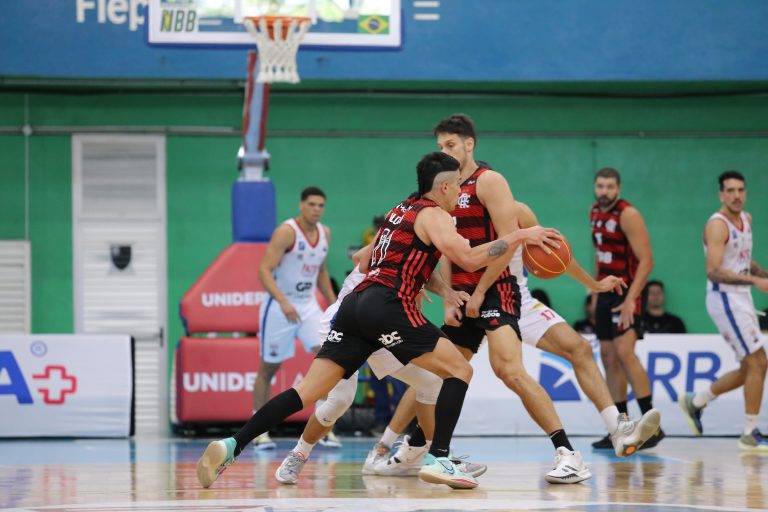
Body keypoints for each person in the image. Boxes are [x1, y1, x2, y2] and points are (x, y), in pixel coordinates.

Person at [196, 151, 561, 490]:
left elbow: (369, 259)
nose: (459, 194)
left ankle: (233, 444)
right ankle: (439, 458)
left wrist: (440, 288)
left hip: (355, 306)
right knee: (459, 370)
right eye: (457, 187)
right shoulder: (435, 215)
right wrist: (519, 235)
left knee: (306, 392)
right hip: (388, 306)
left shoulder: (400, 209)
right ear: (444, 187)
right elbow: (468, 258)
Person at [371, 199, 662, 483]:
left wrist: (594, 285)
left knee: (578, 349)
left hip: (511, 299)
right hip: (469, 300)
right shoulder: (449, 211)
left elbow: (556, 254)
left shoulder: (517, 211)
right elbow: (445, 256)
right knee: (432, 376)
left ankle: (616, 431)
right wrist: (450, 298)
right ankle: (400, 445)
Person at [273, 244, 486, 485]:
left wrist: (418, 288)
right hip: (346, 322)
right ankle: (298, 454)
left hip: (379, 325)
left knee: (431, 382)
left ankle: (439, 458)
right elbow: (359, 258)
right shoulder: (398, 237)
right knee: (340, 401)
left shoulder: (421, 250)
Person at [679, 170, 768, 450]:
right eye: (730, 191)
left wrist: (761, 274)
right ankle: (749, 432)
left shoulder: (746, 219)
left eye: (740, 190)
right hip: (725, 299)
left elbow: (743, 260)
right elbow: (714, 271)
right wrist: (755, 281)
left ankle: (697, 401)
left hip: (741, 297)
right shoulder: (717, 226)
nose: (736, 195)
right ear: (721, 195)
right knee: (759, 362)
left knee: (749, 367)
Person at [251, 186, 338, 450]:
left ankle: (324, 428)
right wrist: (282, 301)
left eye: (320, 205)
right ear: (301, 205)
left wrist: (335, 303)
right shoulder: (286, 232)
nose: (316, 209)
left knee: (328, 358)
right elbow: (263, 270)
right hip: (280, 306)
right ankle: (258, 431)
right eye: (311, 204)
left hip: (308, 304)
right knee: (269, 368)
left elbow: (321, 272)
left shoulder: (325, 233)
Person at [590, 167, 665, 450]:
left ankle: (653, 427)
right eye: (600, 186)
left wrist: (632, 298)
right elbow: (599, 255)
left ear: (618, 188)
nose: (604, 191)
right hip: (605, 292)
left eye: (609, 186)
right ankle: (622, 427)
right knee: (608, 357)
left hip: (627, 291)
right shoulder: (594, 212)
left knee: (625, 353)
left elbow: (647, 260)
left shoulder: (628, 214)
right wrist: (595, 290)